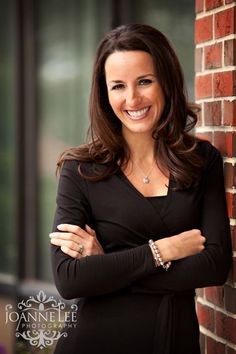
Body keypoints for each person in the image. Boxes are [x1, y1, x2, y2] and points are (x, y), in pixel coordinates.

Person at [49, 23, 232, 354]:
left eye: (144, 81)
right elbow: (70, 279)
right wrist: (163, 251)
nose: (132, 98)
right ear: (105, 93)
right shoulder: (80, 169)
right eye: (118, 86)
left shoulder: (201, 161)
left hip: (173, 340)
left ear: (167, 82)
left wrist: (109, 266)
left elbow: (215, 266)